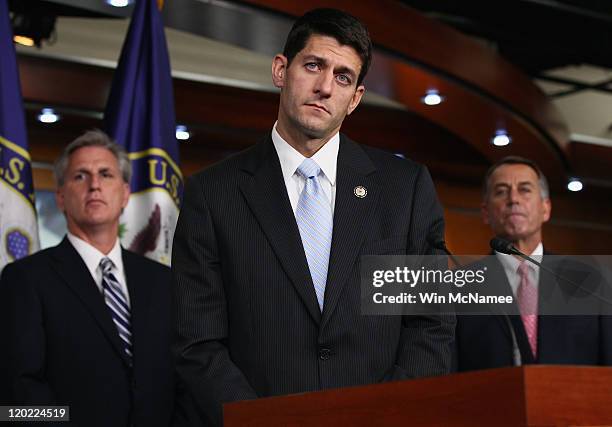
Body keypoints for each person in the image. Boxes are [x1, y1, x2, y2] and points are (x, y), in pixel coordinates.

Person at [172, 8, 454, 426]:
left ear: (355, 98)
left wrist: (386, 414)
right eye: (313, 65)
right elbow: (197, 342)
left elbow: (431, 326)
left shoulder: (406, 188)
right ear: (281, 70)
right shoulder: (212, 194)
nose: (324, 87)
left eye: (343, 77)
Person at [0, 130, 174, 426]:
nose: (94, 185)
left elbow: (181, 377)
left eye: (105, 174)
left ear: (124, 194)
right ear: (61, 197)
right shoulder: (25, 279)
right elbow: (17, 398)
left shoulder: (162, 281)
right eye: (80, 176)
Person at [455, 156, 612, 370]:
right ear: (485, 212)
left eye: (525, 189)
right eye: (501, 191)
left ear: (545, 208)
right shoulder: (459, 286)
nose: (513, 199)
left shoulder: (587, 280)